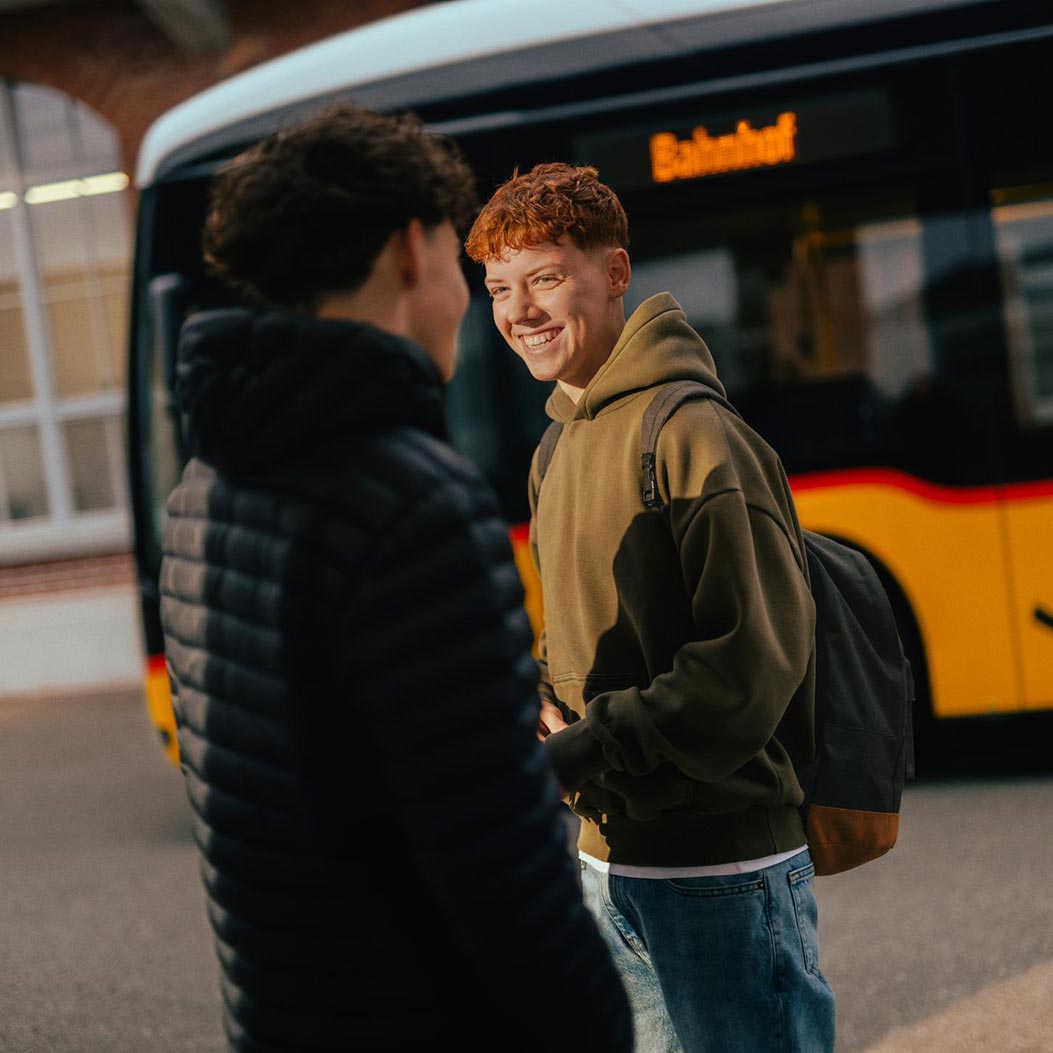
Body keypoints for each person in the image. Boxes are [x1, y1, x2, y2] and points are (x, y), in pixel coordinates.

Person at [158, 108, 633, 1052]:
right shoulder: (406, 501)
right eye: (464, 267)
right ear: (410, 251)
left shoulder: (202, 493)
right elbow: (499, 862)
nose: (473, 300)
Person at [465, 162, 836, 1052]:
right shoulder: (555, 447)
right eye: (499, 288)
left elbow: (751, 665)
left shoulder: (691, 431)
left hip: (723, 868)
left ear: (616, 272)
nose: (520, 311)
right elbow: (583, 645)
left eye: (546, 277)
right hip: (608, 856)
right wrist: (537, 702)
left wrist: (583, 748)